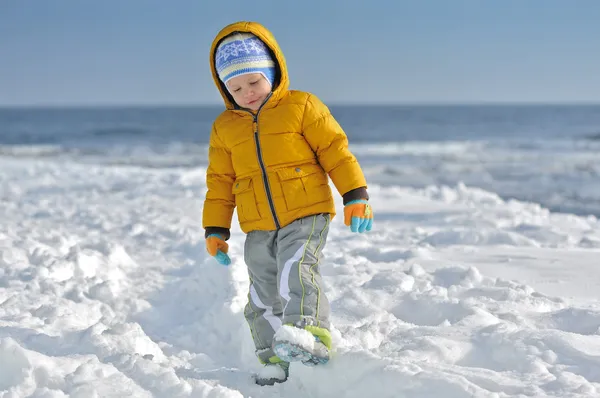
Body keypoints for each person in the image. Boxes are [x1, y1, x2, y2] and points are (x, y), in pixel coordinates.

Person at [202, 21, 374, 386]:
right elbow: (220, 183)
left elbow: (335, 152)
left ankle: (310, 335)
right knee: (261, 290)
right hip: (257, 222)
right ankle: (272, 359)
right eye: (235, 87)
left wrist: (354, 195)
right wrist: (215, 228)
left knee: (296, 271)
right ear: (224, 88)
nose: (246, 93)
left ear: (273, 72)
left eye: (254, 82)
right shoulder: (224, 128)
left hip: (306, 211)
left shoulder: (302, 106)